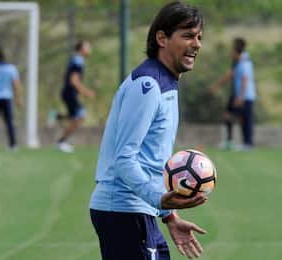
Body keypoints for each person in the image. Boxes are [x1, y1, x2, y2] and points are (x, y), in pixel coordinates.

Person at [89, 2, 208, 259]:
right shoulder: (148, 85)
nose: (197, 44)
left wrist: (169, 216)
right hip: (123, 211)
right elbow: (125, 158)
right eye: (187, 35)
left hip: (140, 212)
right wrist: (159, 199)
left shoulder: (166, 82)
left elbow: (150, 159)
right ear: (161, 38)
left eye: (199, 37)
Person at [209, 38, 256, 151]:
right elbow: (229, 75)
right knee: (229, 116)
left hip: (245, 97)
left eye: (232, 51)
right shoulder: (237, 62)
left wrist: (240, 97)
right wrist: (216, 86)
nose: (230, 53)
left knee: (244, 119)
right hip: (238, 95)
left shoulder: (245, 62)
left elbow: (245, 79)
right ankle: (230, 141)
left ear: (237, 51)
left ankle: (247, 144)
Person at [55, 40, 95, 153]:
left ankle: (58, 116)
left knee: (75, 116)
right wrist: (86, 92)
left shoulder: (77, 60)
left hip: (68, 93)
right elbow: (73, 81)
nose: (89, 49)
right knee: (80, 117)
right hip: (69, 94)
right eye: (87, 47)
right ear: (81, 49)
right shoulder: (78, 61)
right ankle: (61, 142)